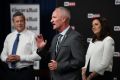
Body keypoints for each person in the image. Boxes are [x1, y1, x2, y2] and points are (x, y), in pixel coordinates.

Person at [36, 7, 85, 80]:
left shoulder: (75, 37)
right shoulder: (55, 38)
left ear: (63, 19)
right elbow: (50, 58)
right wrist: (41, 49)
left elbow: (80, 61)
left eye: (54, 17)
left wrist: (59, 66)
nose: (51, 20)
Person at [0, 11, 41, 80]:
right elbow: (2, 55)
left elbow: (38, 56)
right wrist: (7, 59)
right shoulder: (9, 37)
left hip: (25, 73)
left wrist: (20, 58)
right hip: (10, 73)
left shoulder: (32, 36)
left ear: (25, 21)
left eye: (21, 21)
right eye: (17, 21)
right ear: (13, 23)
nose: (19, 23)